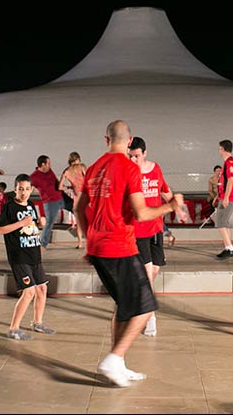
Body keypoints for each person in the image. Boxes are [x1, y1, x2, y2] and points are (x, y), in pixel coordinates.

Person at [74, 120, 183, 388]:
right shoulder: (128, 167)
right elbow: (142, 213)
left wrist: (89, 241)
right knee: (146, 306)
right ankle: (114, 358)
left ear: (106, 139)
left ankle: (118, 364)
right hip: (119, 246)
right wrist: (170, 206)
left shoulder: (95, 167)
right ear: (130, 140)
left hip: (98, 248)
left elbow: (78, 208)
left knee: (124, 305)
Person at [128, 136, 185, 338]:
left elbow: (166, 192)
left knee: (153, 271)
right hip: (138, 229)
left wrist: (178, 211)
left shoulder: (155, 169)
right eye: (130, 156)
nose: (133, 160)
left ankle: (138, 298)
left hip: (156, 228)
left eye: (136, 156)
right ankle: (150, 317)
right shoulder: (128, 173)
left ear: (145, 153)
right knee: (147, 272)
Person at [0, 173, 55, 341]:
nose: (24, 193)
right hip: (19, 256)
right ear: (15, 189)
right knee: (28, 292)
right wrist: (21, 223)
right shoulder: (8, 207)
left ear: (31, 189)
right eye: (20, 189)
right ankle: (13, 328)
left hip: (33, 255)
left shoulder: (31, 205)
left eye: (27, 189)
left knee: (42, 289)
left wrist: (39, 225)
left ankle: (37, 323)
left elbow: (31, 226)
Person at [30, 155, 64, 250]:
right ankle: (43, 244)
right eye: (48, 163)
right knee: (49, 223)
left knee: (77, 209)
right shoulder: (34, 176)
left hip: (61, 197)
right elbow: (29, 187)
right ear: (42, 164)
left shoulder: (49, 171)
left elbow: (55, 181)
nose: (50, 165)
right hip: (50, 202)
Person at [215, 140, 233, 260]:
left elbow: (230, 180)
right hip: (225, 196)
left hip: (228, 197)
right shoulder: (228, 163)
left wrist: (226, 198)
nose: (219, 151)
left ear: (223, 149)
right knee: (224, 223)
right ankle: (228, 248)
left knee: (220, 223)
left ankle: (230, 248)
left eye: (219, 149)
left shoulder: (230, 162)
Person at [58, 152, 87, 249]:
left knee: (79, 222)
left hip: (76, 198)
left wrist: (70, 187)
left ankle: (79, 243)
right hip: (86, 196)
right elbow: (88, 179)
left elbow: (60, 187)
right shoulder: (82, 167)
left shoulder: (66, 171)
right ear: (78, 159)